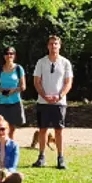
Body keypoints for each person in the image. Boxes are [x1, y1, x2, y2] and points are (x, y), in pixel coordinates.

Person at [32, 34, 73, 169]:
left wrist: (59, 96)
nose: (53, 46)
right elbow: (37, 81)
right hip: (43, 102)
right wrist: (44, 95)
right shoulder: (41, 62)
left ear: (59, 46)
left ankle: (60, 158)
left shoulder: (65, 63)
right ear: (47, 46)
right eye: (51, 44)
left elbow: (68, 82)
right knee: (42, 129)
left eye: (56, 44)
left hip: (59, 103)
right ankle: (41, 156)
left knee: (59, 130)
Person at [0, 46, 26, 139]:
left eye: (11, 53)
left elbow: (23, 86)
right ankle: (0, 149)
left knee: (11, 129)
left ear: (14, 55)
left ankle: (10, 149)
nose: (9, 55)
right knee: (0, 128)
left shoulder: (19, 69)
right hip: (1, 103)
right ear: (4, 56)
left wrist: (13, 90)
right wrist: (2, 90)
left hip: (14, 102)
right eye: (7, 53)